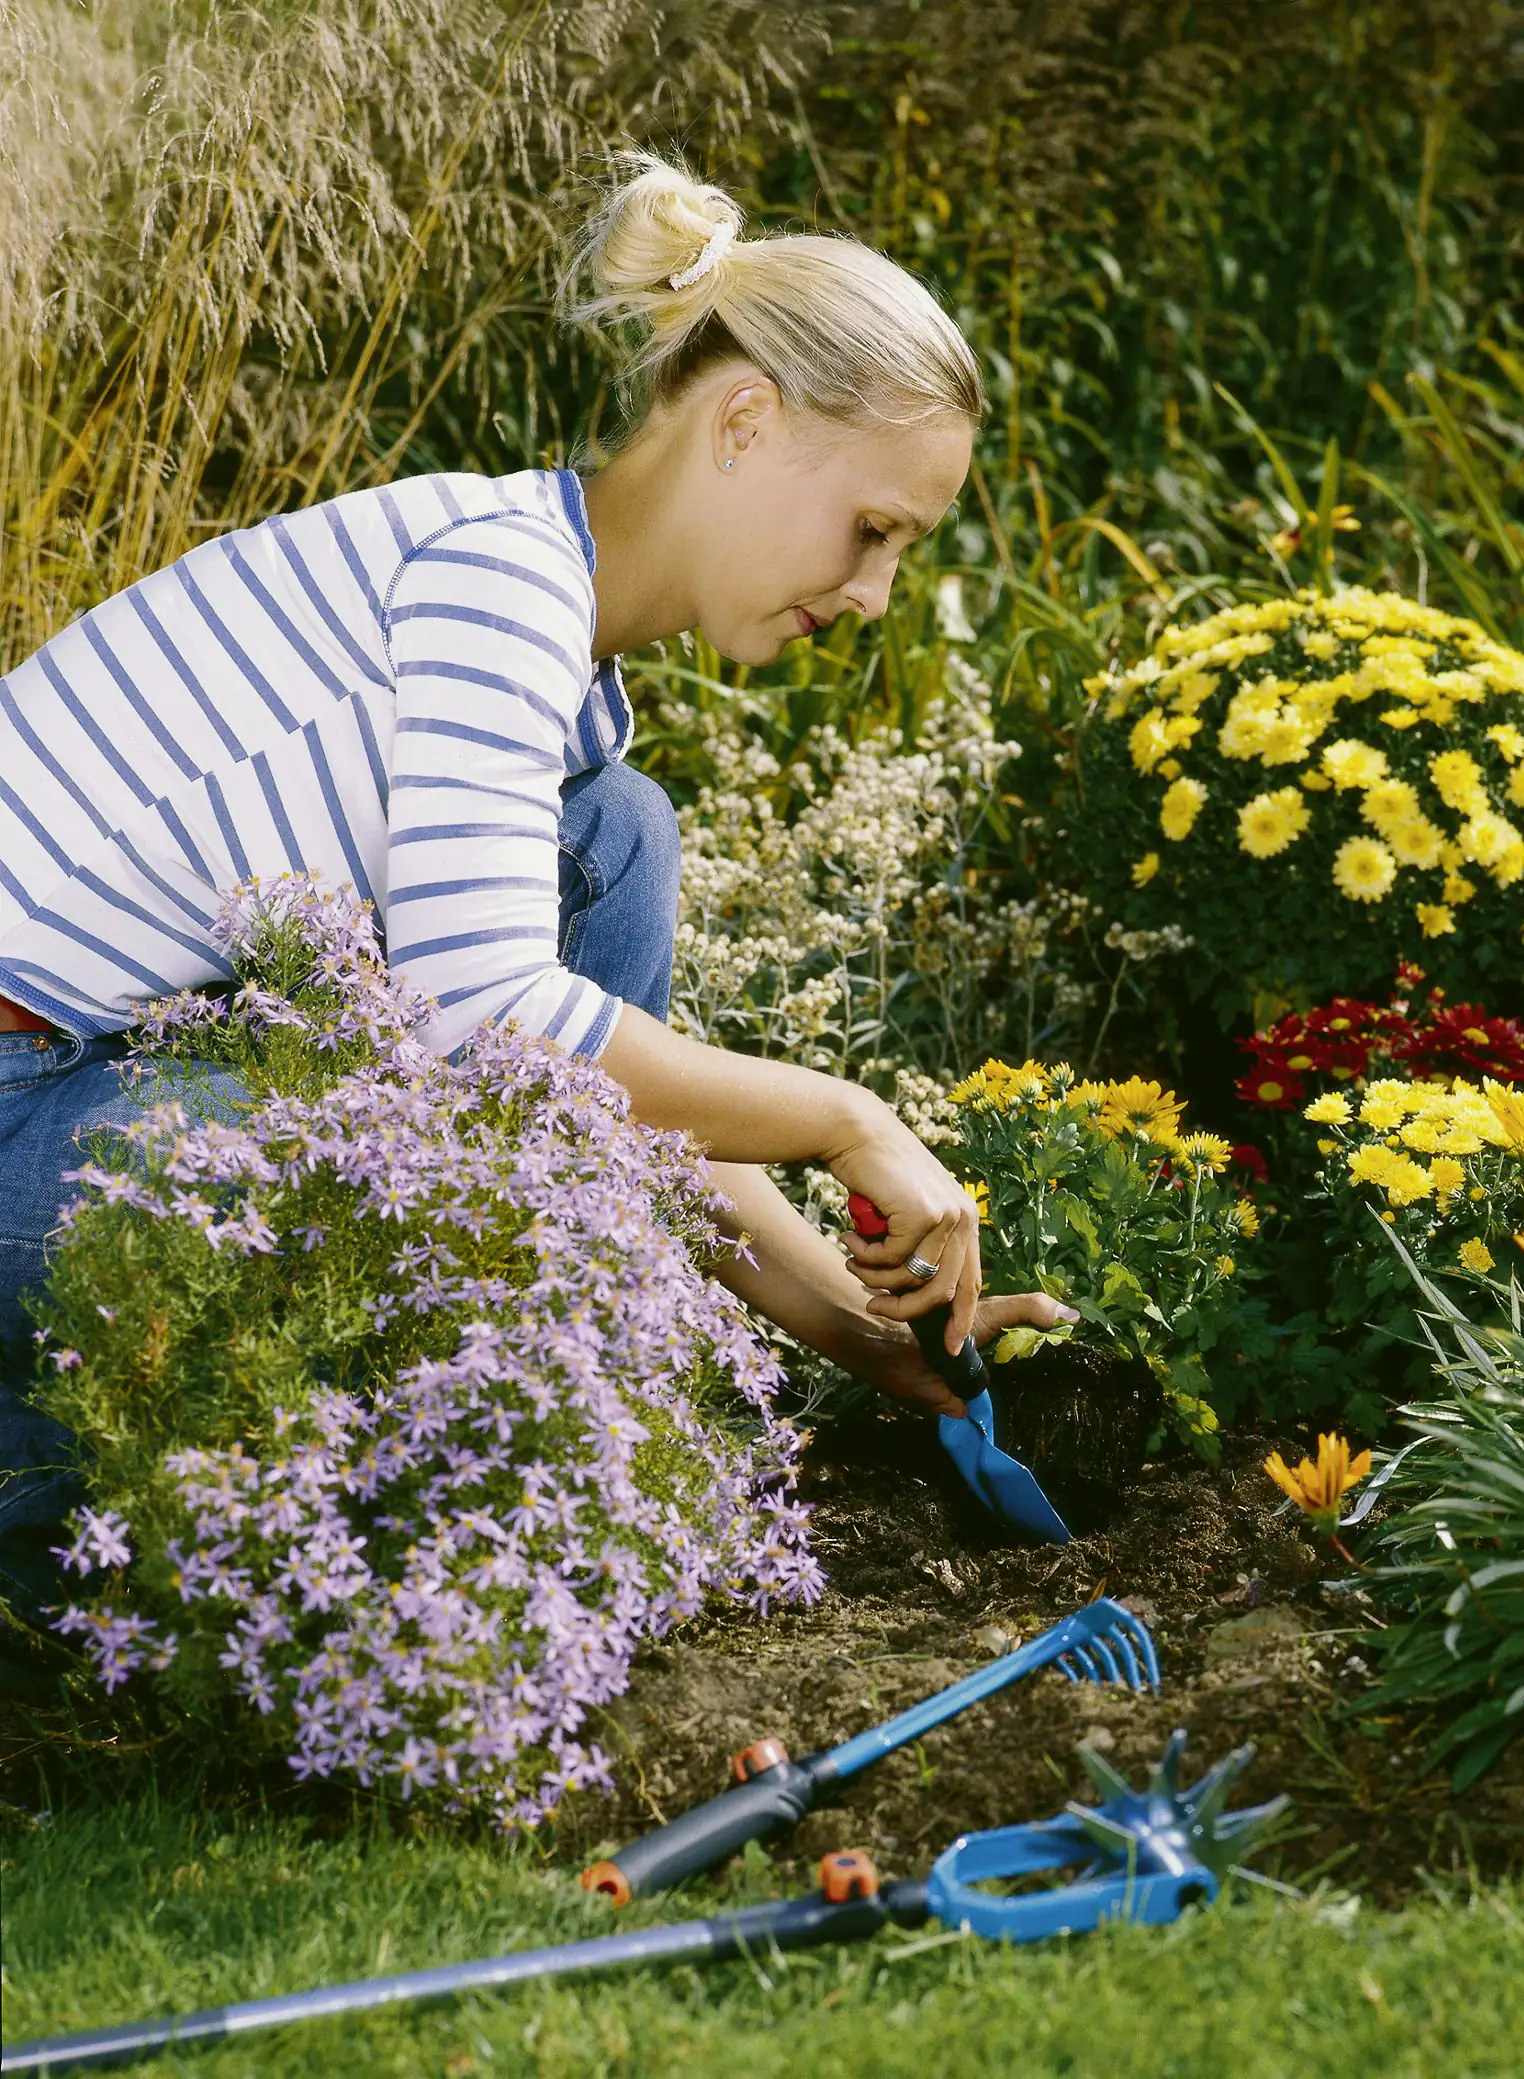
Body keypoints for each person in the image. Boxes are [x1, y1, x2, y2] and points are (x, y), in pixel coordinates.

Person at [0, 156, 1071, 1641]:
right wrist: (848, 1115)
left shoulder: (567, 682)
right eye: (874, 530)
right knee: (415, 1200)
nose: (875, 592)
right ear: (747, 424)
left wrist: (851, 1325)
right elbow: (491, 1020)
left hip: (81, 1086)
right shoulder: (493, 581)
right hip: (20, 1087)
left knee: (612, 841)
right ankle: (82, 1504)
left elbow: (595, 1084)